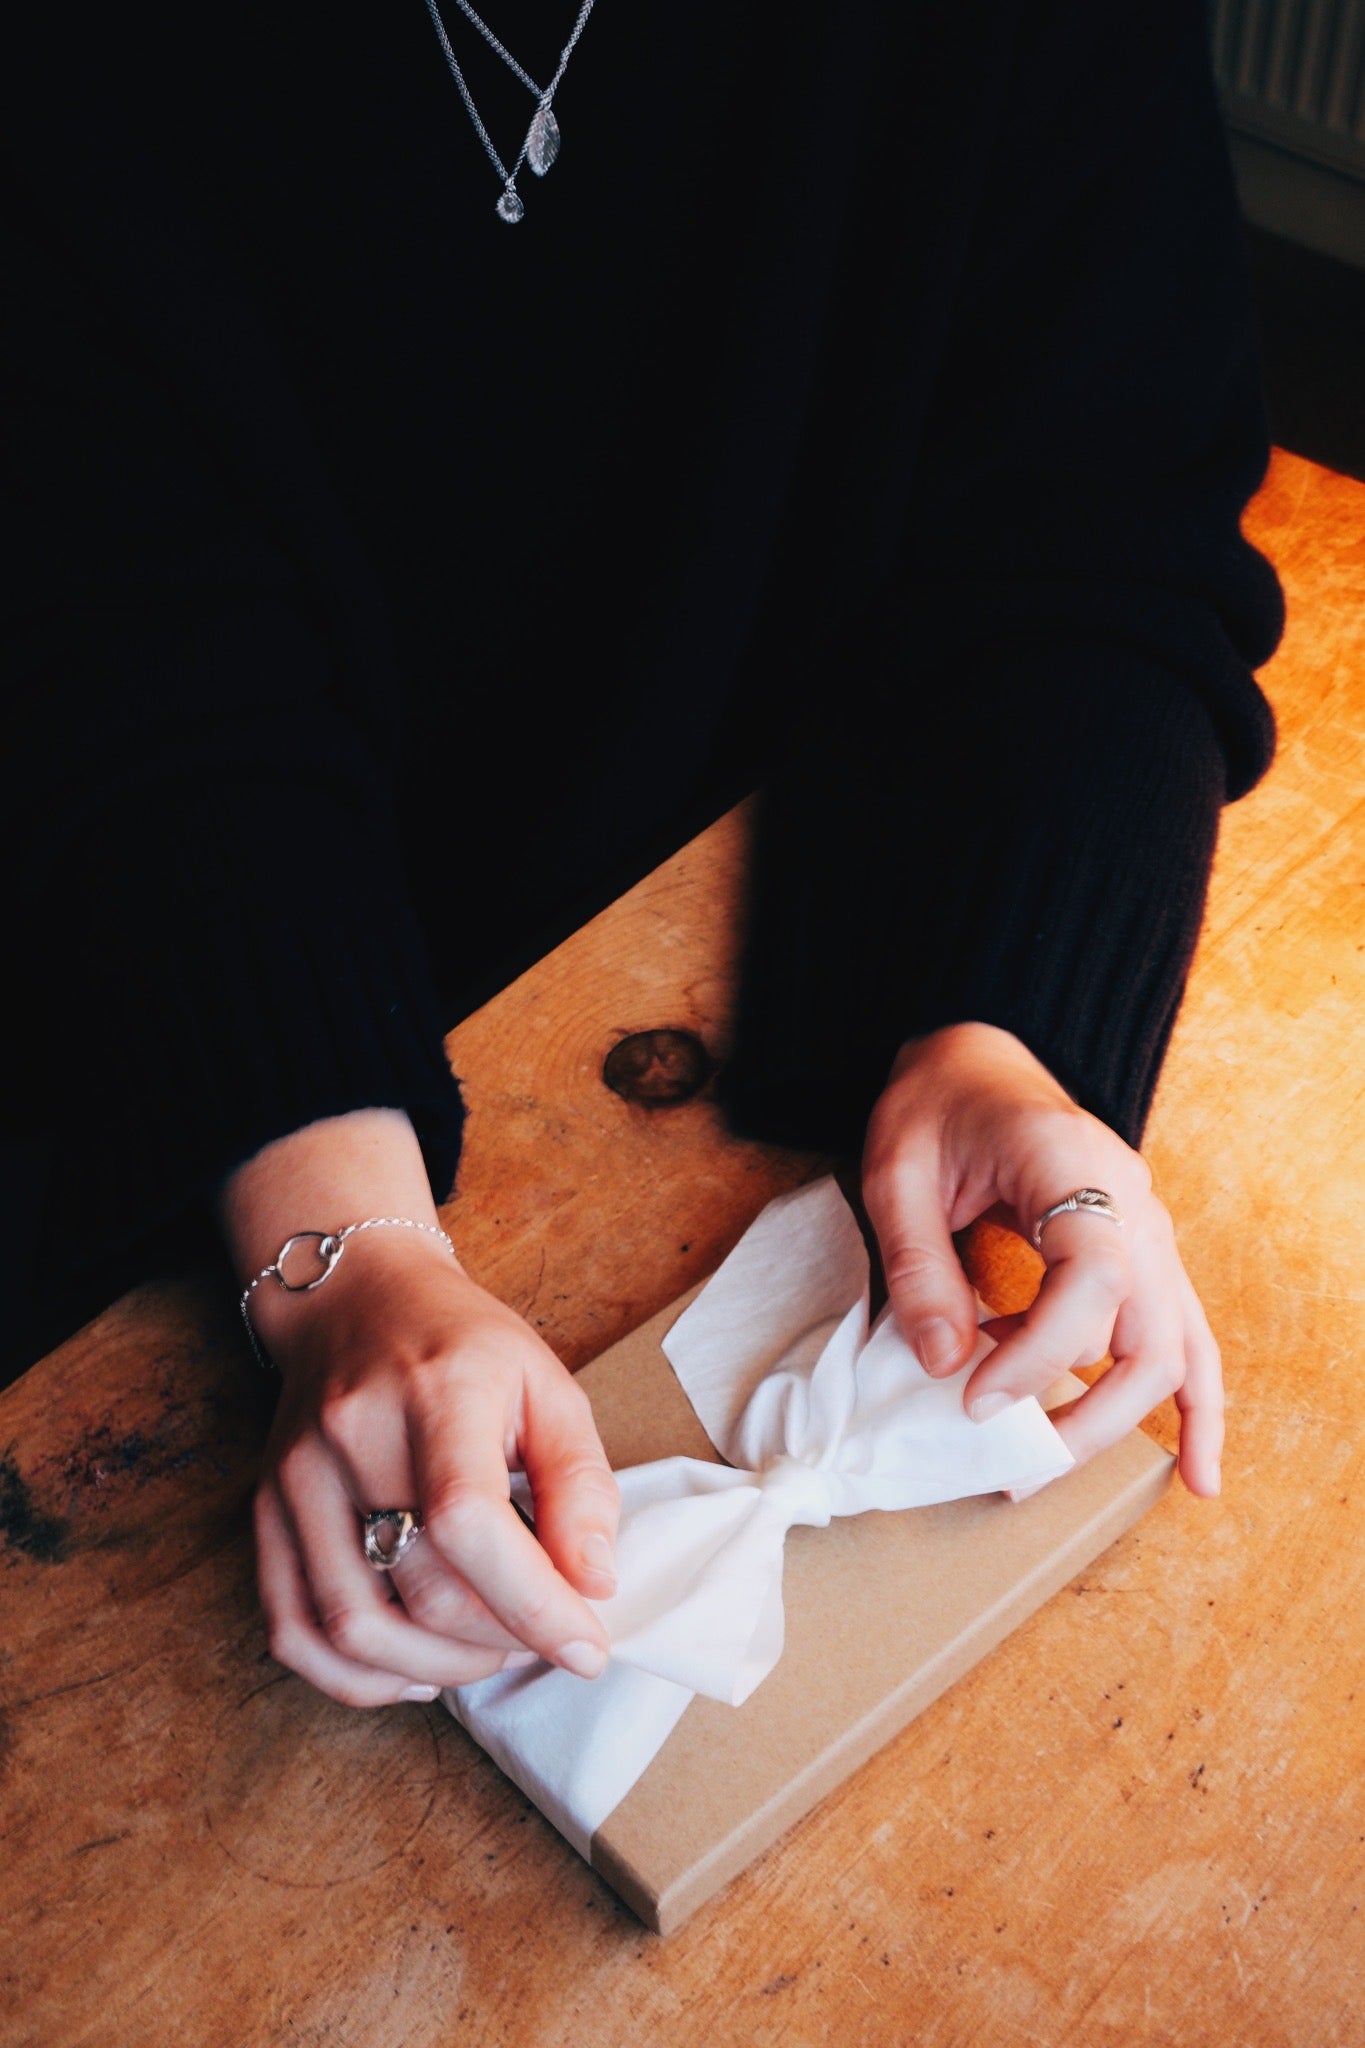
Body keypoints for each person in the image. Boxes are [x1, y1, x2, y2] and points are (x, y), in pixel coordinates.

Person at [3, 0, 1283, 1706]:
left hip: (731, 949)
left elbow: (1098, 518)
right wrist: (334, 1247)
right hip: (152, 1004)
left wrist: (1010, 1022)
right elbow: (118, 653)